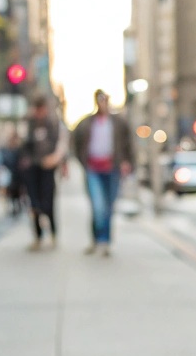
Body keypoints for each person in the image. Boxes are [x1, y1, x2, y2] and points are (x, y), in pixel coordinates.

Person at [71, 89, 133, 256]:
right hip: (93, 169)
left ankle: (105, 242)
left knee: (108, 207)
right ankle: (97, 240)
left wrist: (127, 162)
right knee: (97, 206)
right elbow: (75, 143)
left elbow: (128, 144)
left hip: (112, 169)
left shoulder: (118, 122)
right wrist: (83, 162)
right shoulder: (86, 123)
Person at [20, 95, 67, 249]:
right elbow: (23, 145)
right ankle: (38, 236)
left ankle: (53, 233)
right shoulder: (28, 123)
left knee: (48, 202)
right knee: (34, 203)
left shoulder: (53, 123)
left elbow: (61, 143)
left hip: (48, 167)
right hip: (32, 168)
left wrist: (56, 159)